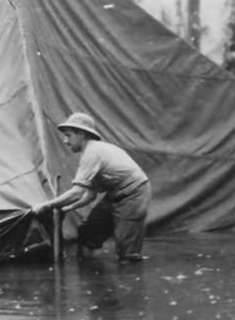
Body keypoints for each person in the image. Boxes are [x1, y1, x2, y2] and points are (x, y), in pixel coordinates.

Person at [32, 112, 151, 261]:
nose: (65, 140)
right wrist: (64, 209)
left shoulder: (93, 153)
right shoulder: (89, 154)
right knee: (89, 233)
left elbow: (76, 193)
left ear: (81, 134)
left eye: (68, 135)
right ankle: (91, 277)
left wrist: (47, 206)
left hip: (134, 193)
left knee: (127, 252)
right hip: (115, 194)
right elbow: (90, 195)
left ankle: (129, 274)